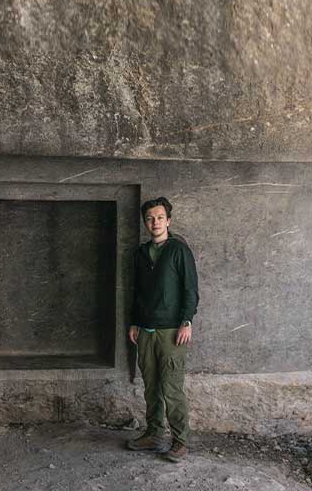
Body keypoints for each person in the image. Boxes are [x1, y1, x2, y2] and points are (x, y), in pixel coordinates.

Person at [127, 196, 199, 463]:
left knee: (171, 387)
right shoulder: (140, 254)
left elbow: (190, 289)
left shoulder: (179, 250)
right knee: (151, 387)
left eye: (159, 217)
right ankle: (154, 434)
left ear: (168, 221)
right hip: (145, 330)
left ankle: (180, 441)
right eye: (149, 219)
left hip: (171, 331)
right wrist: (134, 322)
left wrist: (187, 321)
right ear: (145, 223)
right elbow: (137, 291)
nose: (154, 222)